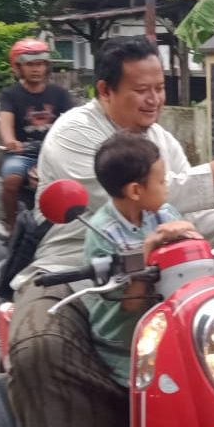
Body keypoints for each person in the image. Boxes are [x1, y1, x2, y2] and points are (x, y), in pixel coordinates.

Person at [7, 35, 214, 427]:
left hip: (159, 270)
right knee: (38, 347)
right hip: (73, 267)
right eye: (141, 89)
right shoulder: (74, 132)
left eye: (159, 87)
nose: (154, 99)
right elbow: (110, 199)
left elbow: (183, 207)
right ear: (105, 90)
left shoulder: (159, 138)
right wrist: (213, 171)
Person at [83, 131, 197, 388]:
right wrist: (148, 250)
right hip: (126, 344)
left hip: (169, 329)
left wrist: (191, 235)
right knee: (155, 392)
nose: (166, 186)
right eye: (162, 181)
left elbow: (196, 261)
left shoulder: (164, 214)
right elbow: (131, 304)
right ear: (136, 190)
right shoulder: (103, 234)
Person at [0, 38, 73, 231]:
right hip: (23, 154)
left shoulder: (60, 94)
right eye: (30, 64)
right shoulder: (10, 94)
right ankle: (11, 223)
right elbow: (5, 121)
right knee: (11, 181)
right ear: (18, 68)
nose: (36, 69)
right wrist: (10, 141)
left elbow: (73, 121)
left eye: (40, 64)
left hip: (54, 152)